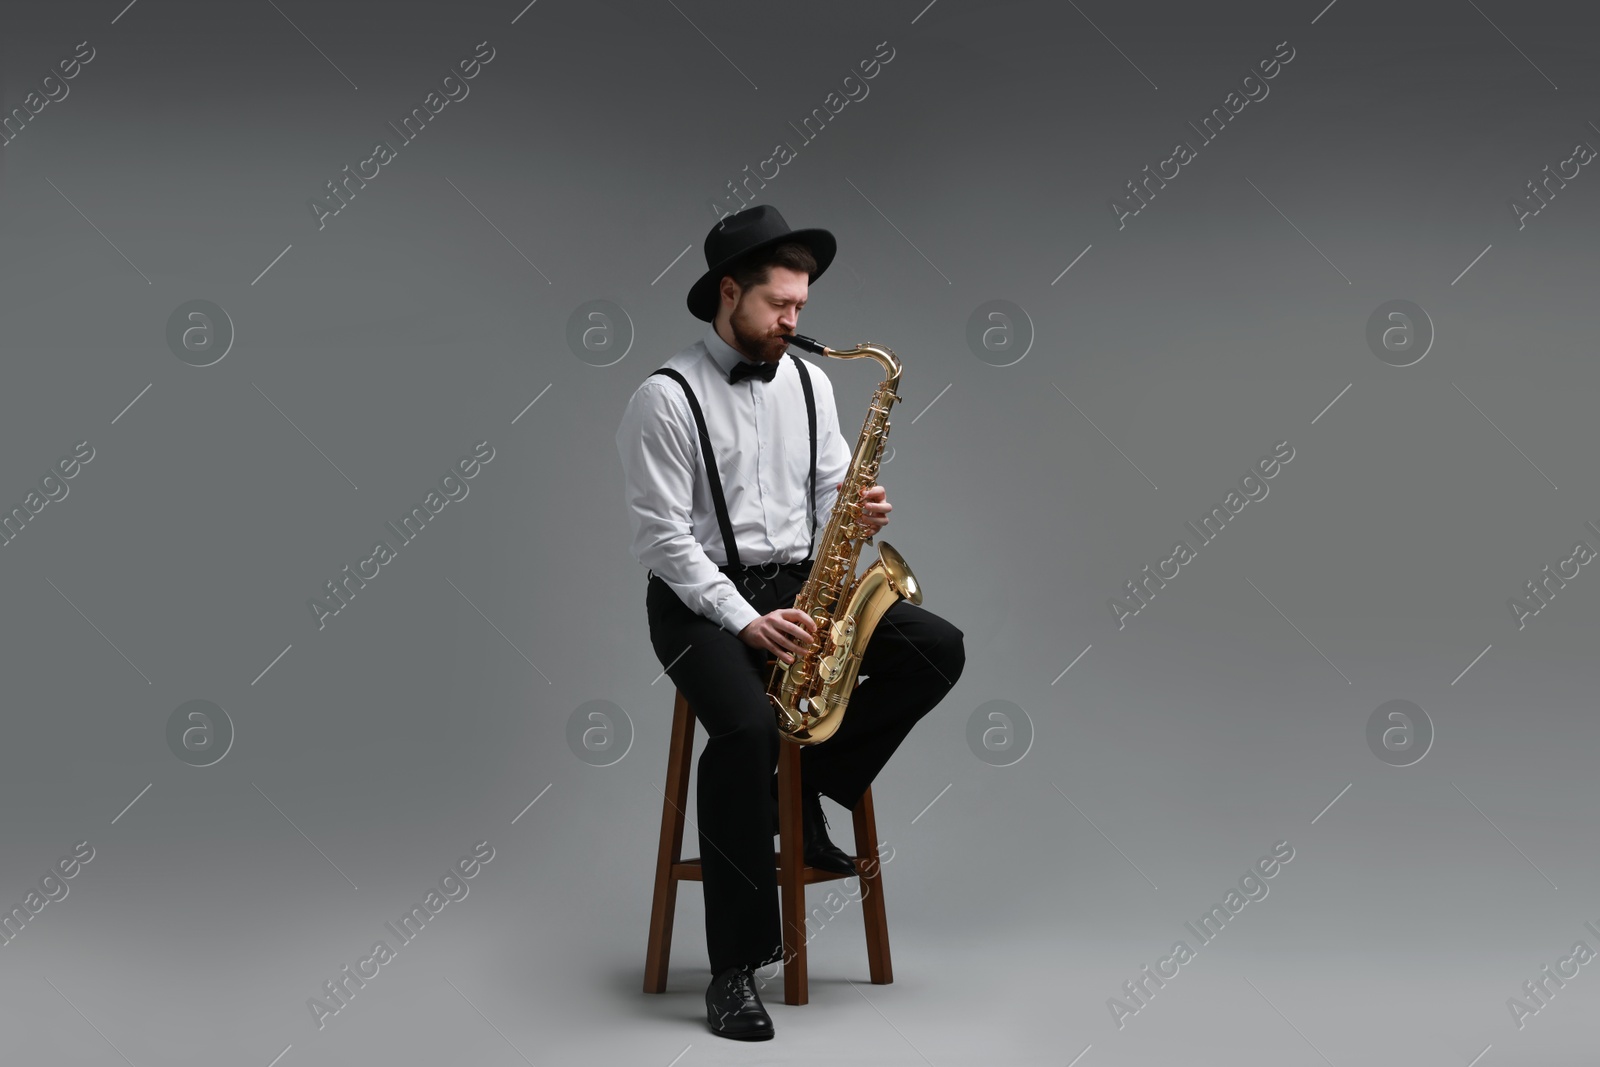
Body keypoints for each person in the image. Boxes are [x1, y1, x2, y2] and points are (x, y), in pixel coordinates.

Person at [615, 204, 965, 1041]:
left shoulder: (811, 381)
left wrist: (858, 509)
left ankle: (806, 785)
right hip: (701, 597)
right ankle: (734, 969)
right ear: (727, 293)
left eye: (802, 307)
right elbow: (663, 541)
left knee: (936, 649)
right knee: (741, 731)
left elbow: (828, 493)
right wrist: (744, 621)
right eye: (780, 305)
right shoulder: (662, 399)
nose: (795, 324)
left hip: (803, 582)